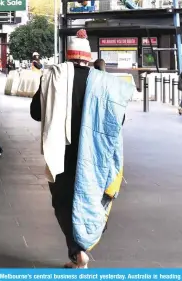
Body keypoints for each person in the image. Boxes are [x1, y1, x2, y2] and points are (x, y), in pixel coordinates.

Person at [29, 29, 133, 269]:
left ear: (68, 56)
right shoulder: (104, 83)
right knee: (91, 197)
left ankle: (77, 251)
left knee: (63, 200)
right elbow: (120, 120)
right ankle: (83, 245)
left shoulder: (53, 78)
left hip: (62, 151)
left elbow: (35, 113)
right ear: (88, 58)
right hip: (95, 153)